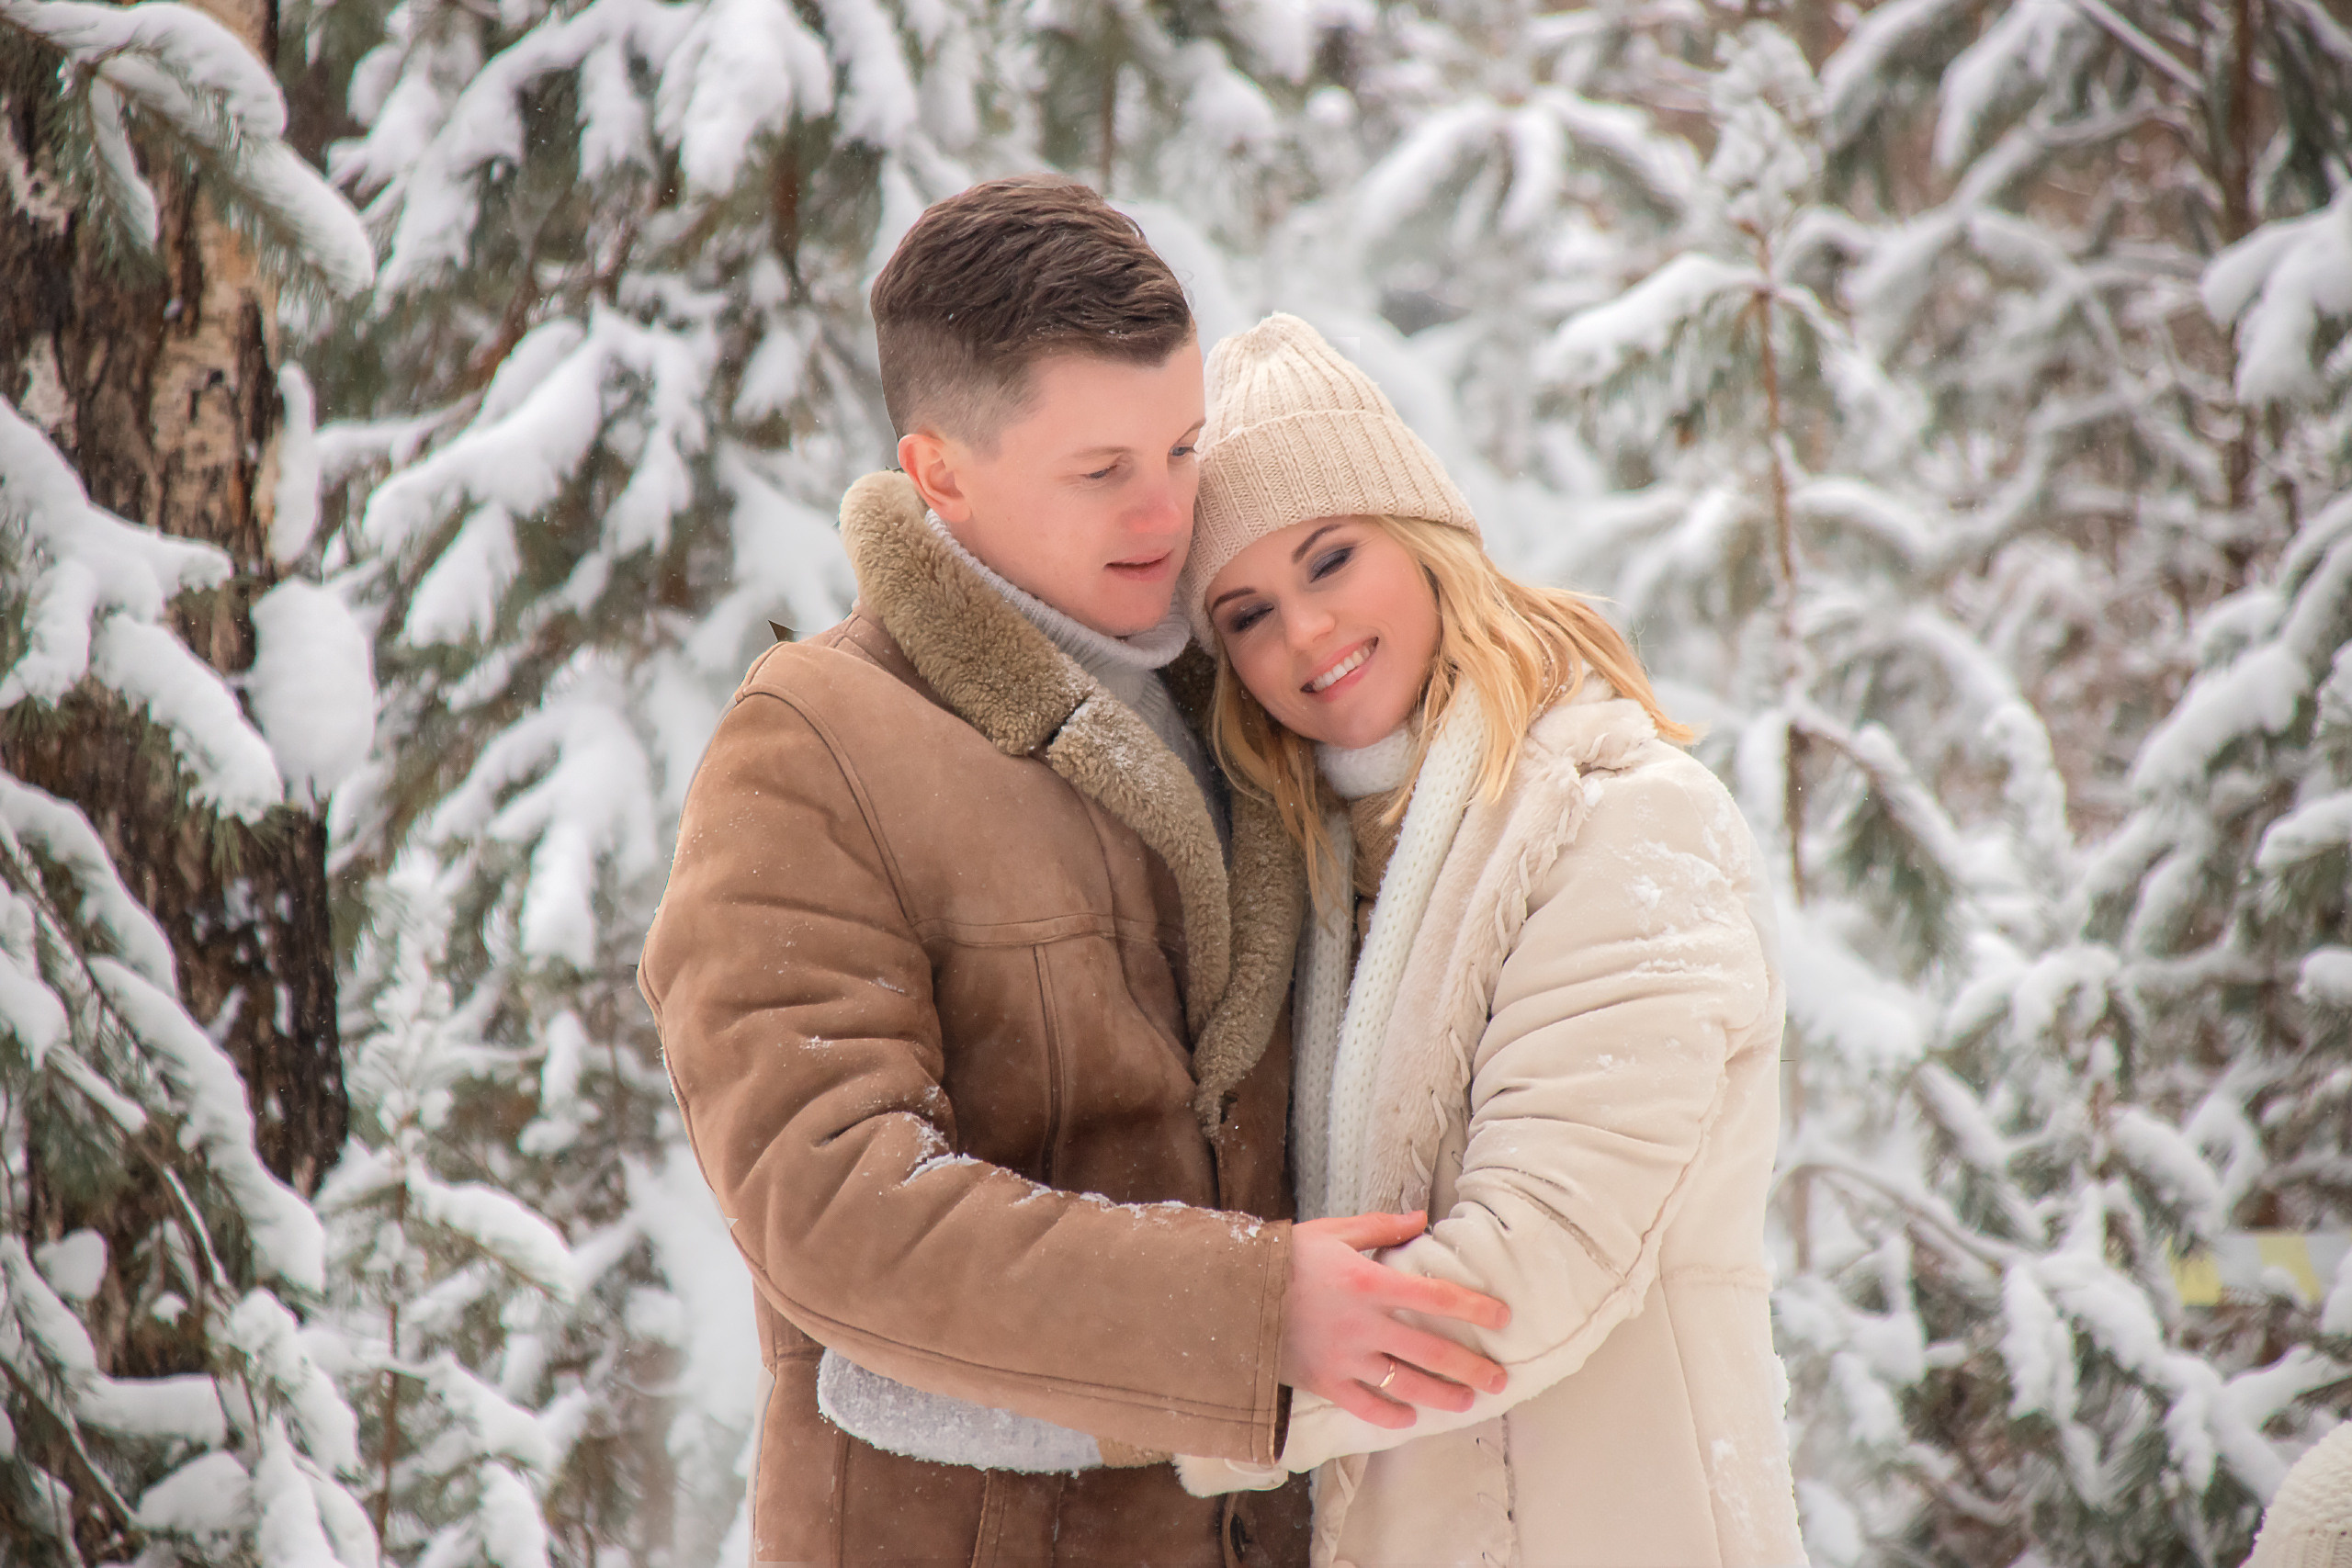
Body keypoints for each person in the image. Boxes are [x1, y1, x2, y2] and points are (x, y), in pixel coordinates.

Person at [637, 183, 1508, 1568]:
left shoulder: (1250, 690)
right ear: (940, 476)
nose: (1170, 511)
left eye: (1181, 444)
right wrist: (1251, 1314)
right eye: (1102, 472)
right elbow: (837, 1210)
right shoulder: (813, 748)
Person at [1171, 314, 1808, 1567]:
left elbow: (1532, 1268)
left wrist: (1182, 1399)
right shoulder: (1317, 887)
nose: (1301, 633)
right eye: (1244, 613)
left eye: (1331, 558)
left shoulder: (1624, 821)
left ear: (1424, 540)